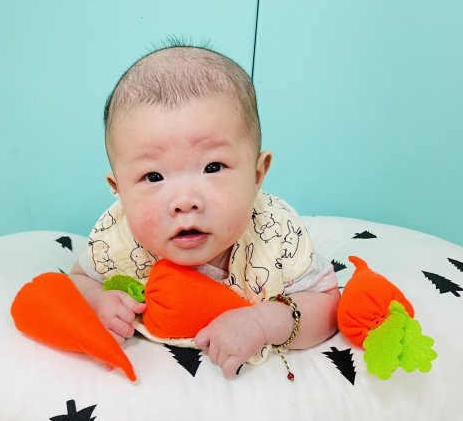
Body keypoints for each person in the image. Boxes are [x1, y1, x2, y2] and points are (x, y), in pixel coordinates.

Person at [71, 43, 340, 378]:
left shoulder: (275, 231)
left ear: (257, 175)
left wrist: (265, 322)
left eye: (213, 167)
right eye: (153, 176)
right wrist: (97, 299)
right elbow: (78, 280)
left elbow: (328, 304)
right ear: (120, 190)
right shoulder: (117, 238)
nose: (185, 201)